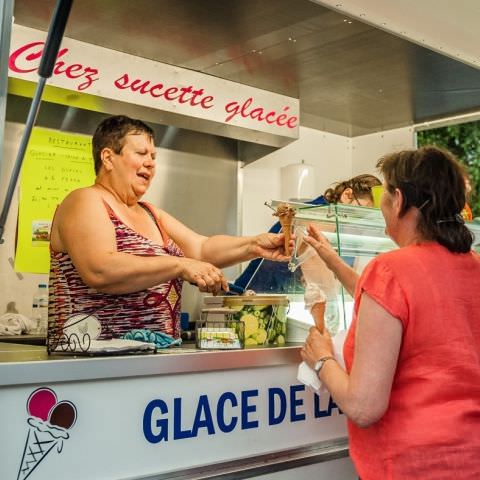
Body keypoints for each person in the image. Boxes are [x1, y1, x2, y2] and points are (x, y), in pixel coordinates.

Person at [301, 146, 480, 479]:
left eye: (384, 194)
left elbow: (363, 407)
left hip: (412, 465)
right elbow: (400, 305)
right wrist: (333, 259)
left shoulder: (390, 269)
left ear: (398, 200)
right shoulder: (473, 266)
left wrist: (322, 359)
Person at [47, 115, 291, 348]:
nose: (151, 162)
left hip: (155, 358)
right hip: (94, 362)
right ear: (108, 158)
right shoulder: (85, 200)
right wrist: (180, 265)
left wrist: (254, 245)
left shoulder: (151, 213)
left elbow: (201, 249)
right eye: (141, 153)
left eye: (153, 156)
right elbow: (99, 269)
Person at [233, 174, 381, 293]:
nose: (360, 219)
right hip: (251, 300)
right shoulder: (318, 215)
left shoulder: (328, 217)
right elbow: (321, 281)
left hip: (273, 298)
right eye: (362, 210)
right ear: (347, 195)